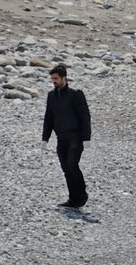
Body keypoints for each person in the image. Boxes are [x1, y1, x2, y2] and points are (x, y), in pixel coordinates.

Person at [41, 64, 92, 208]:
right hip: (61, 138)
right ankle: (73, 199)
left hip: (75, 137)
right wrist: (45, 138)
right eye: (52, 79)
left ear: (64, 78)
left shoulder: (76, 95)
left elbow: (85, 117)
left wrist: (87, 138)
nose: (54, 81)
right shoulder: (51, 96)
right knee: (65, 168)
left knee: (72, 164)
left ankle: (82, 195)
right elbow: (48, 117)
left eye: (56, 78)